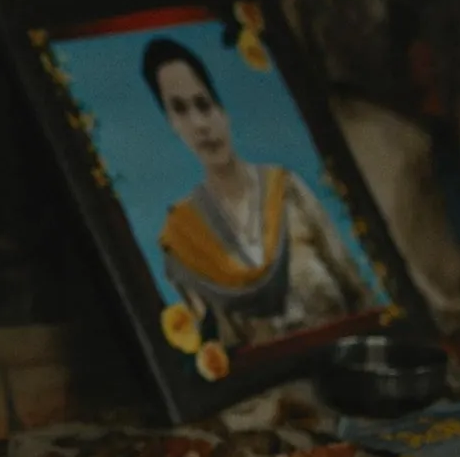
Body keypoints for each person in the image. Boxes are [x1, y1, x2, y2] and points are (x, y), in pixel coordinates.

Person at [142, 36, 373, 349]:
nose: (200, 124)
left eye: (203, 104)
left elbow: (357, 292)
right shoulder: (184, 238)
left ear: (222, 110)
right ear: (172, 124)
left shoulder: (287, 190)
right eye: (181, 110)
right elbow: (221, 351)